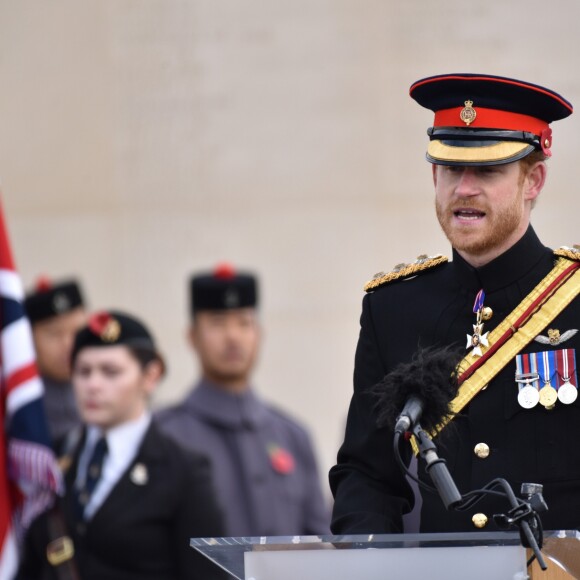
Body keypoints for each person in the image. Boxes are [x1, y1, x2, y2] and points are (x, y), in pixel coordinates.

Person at [329, 73, 580, 534]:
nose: (464, 188)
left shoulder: (574, 298)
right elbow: (368, 476)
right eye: (450, 170)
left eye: (487, 171)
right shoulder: (392, 309)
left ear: (534, 180)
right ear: (433, 175)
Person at [18, 310, 227, 580]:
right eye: (83, 372)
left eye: (110, 372)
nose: (93, 385)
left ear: (150, 376)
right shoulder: (50, 459)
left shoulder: (183, 470)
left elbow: (207, 574)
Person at [156, 263, 331, 537]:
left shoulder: (292, 436)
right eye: (217, 323)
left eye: (244, 323)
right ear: (192, 337)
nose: (233, 336)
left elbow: (319, 541)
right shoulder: (164, 434)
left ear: (259, 334)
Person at [25, 277, 87, 443]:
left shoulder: (106, 390)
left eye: (77, 331)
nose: (68, 344)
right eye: (54, 334)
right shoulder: (21, 402)